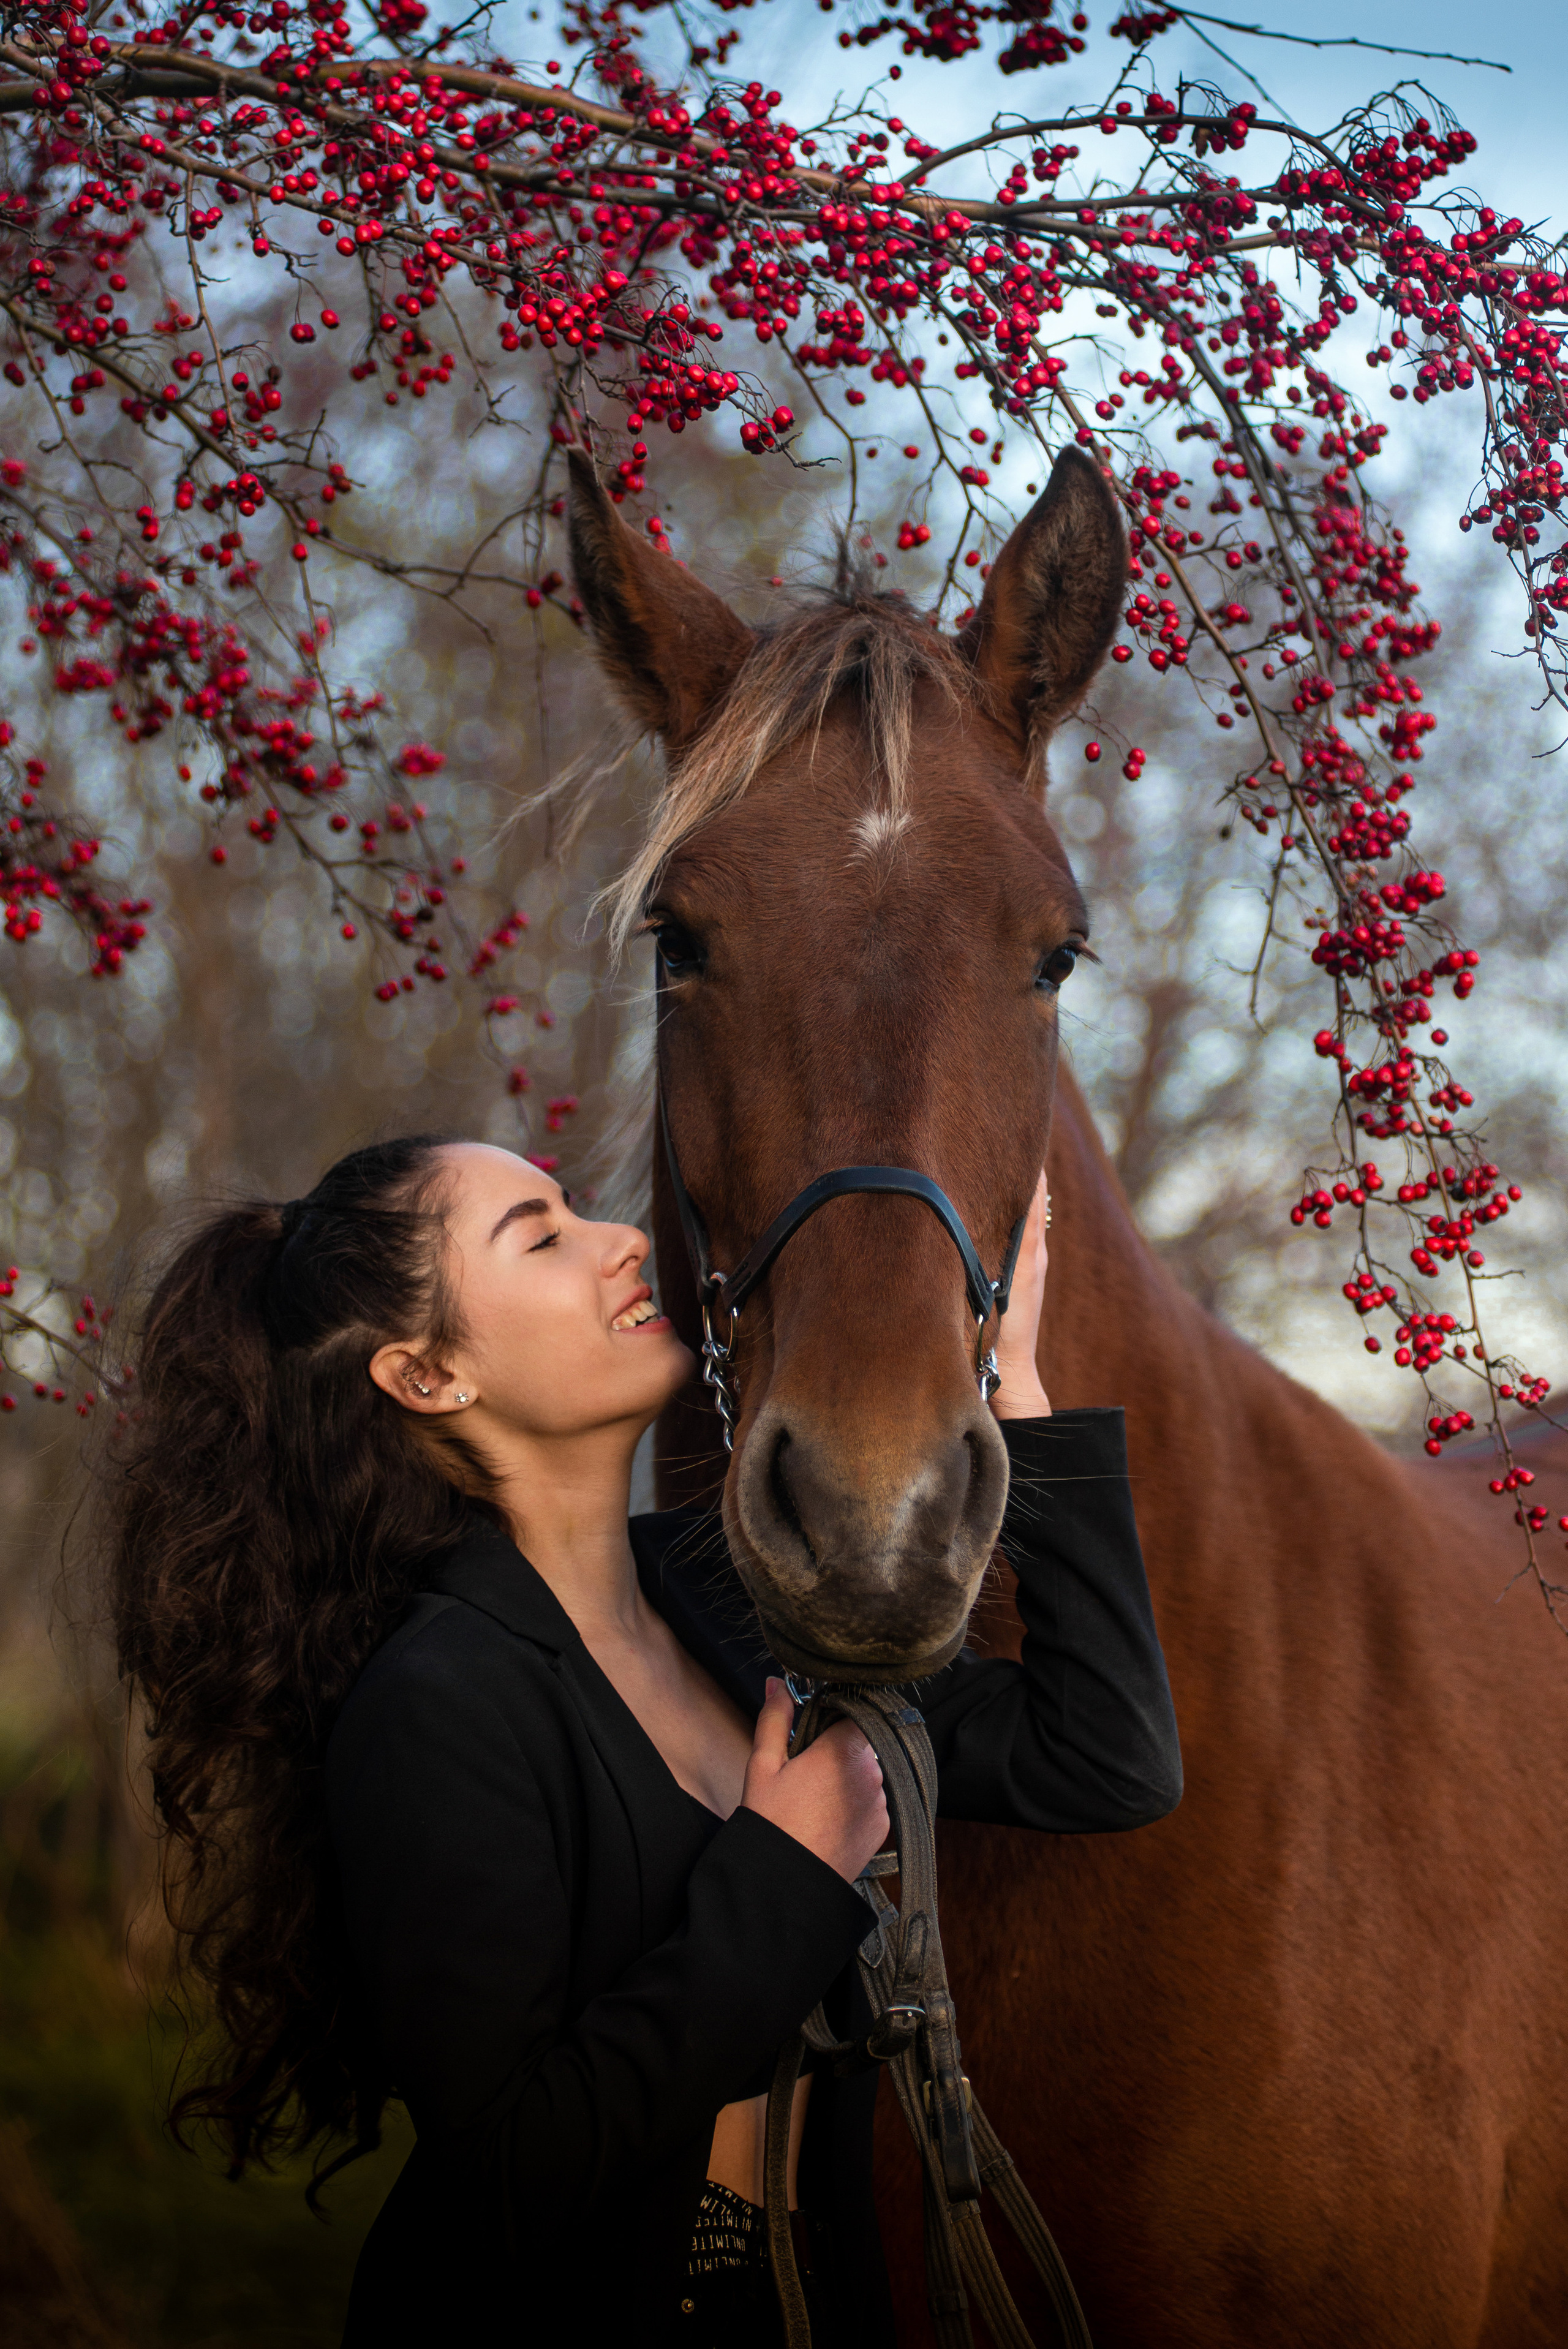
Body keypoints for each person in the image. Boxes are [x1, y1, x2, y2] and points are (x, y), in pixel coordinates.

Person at [104, 1133, 1180, 2348]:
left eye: (579, 1212)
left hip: (816, 2296)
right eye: (543, 1236)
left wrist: (1019, 1387)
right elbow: (507, 2175)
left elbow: (1104, 1756)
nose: (623, 1242)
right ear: (425, 1376)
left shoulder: (735, 1598)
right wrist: (784, 1871)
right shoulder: (434, 1701)